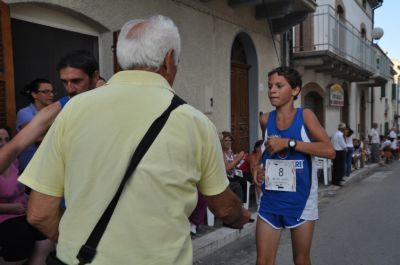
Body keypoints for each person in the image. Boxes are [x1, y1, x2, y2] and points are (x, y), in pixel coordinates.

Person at [19, 15, 250, 265]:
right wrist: (242, 216)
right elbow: (224, 208)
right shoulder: (195, 122)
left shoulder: (72, 110)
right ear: (169, 59)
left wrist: (77, 244)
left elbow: (39, 214)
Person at [255, 66, 335, 265]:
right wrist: (258, 168)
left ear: (295, 90)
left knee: (300, 260)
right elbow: (264, 151)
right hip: (271, 199)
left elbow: (329, 150)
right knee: (262, 261)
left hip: (301, 200)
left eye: (279, 86)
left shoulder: (305, 116)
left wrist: (289, 143)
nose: (272, 90)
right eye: (271, 86)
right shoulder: (265, 119)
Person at [0, 50, 99, 174]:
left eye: (76, 81)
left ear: (95, 77)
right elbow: (17, 145)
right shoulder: (64, 104)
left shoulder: (110, 97)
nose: (69, 89)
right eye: (64, 82)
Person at [0, 126, 53, 265]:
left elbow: (20, 190)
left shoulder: (14, 162)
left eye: (7, 139)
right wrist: (10, 208)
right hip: (4, 216)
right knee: (22, 240)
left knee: (45, 239)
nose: (4, 143)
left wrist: (31, 200)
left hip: (21, 212)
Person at [16, 78, 55, 172]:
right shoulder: (24, 113)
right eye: (46, 91)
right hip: (30, 166)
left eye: (52, 91)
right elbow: (36, 138)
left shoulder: (53, 112)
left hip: (49, 164)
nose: (51, 94)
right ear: (34, 94)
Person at [221, 131, 248, 203]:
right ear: (221, 142)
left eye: (230, 140)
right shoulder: (221, 152)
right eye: (226, 140)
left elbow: (233, 165)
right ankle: (239, 205)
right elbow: (227, 167)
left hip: (231, 174)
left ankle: (242, 204)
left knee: (244, 179)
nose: (229, 142)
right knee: (238, 185)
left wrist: (240, 160)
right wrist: (238, 158)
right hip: (224, 176)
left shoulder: (230, 152)